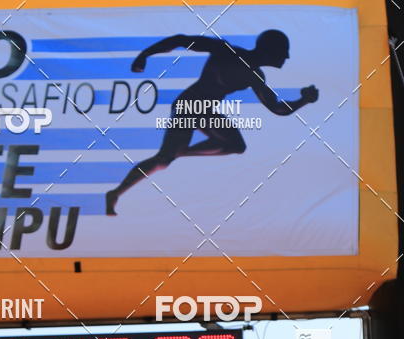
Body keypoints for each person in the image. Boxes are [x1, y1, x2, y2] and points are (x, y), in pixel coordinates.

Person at [105, 30, 319, 215]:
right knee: (163, 160)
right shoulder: (226, 50)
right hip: (189, 104)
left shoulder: (255, 76)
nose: (287, 57)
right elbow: (180, 40)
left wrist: (304, 100)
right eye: (284, 52)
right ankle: (115, 193)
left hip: (204, 110)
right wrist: (144, 55)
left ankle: (178, 152)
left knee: (236, 145)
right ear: (271, 50)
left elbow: (277, 108)